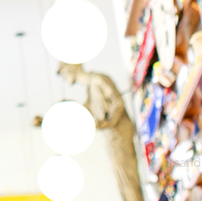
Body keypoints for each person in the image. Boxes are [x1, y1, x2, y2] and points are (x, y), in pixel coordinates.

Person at [58, 62, 143, 201]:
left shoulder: (98, 80)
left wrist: (109, 122)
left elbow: (117, 102)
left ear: (71, 67)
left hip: (119, 134)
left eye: (63, 72)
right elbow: (82, 113)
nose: (64, 77)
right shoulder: (91, 89)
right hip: (112, 137)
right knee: (121, 178)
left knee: (127, 176)